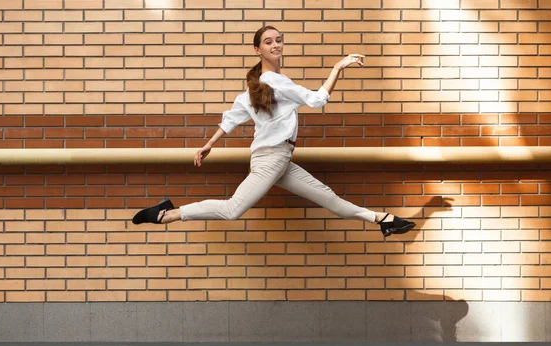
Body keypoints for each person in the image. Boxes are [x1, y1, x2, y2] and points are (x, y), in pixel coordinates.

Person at [132, 25, 415, 238]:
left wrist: (209, 145)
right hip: (271, 160)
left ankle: (383, 220)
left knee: (328, 198)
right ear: (258, 50)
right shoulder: (276, 81)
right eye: (268, 42)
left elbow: (231, 118)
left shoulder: (257, 87)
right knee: (233, 210)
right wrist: (339, 67)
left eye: (278, 40)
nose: (275, 45)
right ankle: (166, 215)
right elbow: (317, 100)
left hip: (279, 160)